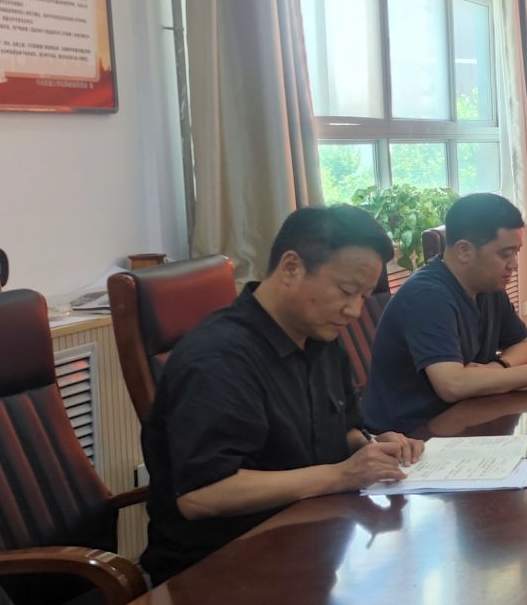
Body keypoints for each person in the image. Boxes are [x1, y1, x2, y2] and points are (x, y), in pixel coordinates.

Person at [139, 206, 424, 583]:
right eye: (346, 291)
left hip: (311, 542)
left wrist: (372, 448)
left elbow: (344, 428)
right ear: (291, 268)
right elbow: (201, 494)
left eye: (364, 296)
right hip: (220, 571)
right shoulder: (218, 359)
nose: (355, 310)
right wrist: (340, 475)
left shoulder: (320, 336)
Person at [363, 192, 527, 433]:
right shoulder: (427, 296)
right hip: (411, 436)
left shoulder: (487, 285)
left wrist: (498, 366)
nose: (514, 265)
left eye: (516, 252)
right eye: (505, 254)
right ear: (464, 251)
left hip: (463, 418)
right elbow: (452, 384)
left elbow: (524, 344)